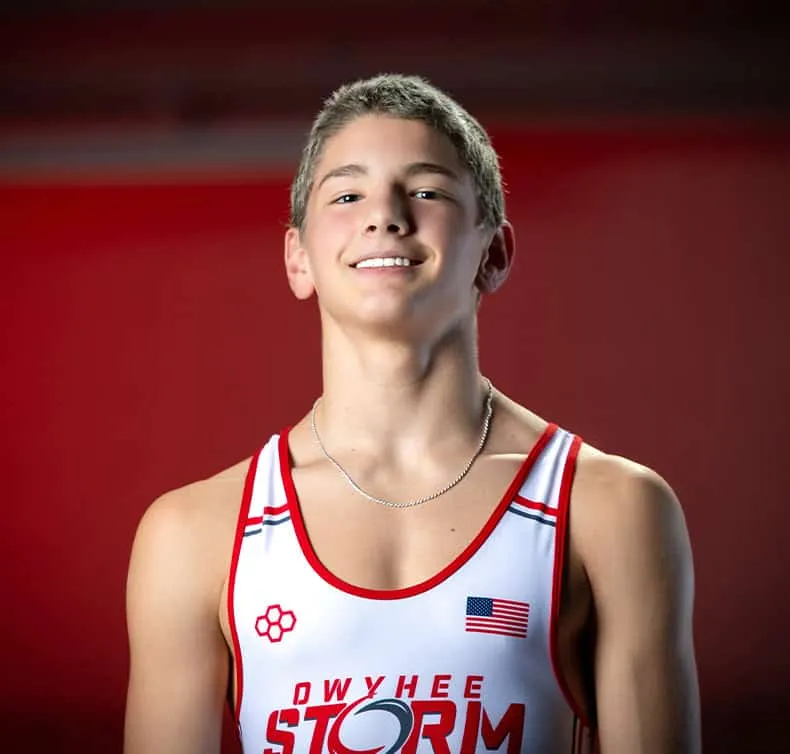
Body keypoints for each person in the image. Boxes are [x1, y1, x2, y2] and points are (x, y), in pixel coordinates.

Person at [124, 74, 701, 754]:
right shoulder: (195, 535)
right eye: (346, 194)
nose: (385, 215)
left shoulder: (611, 509)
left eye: (426, 190)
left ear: (495, 253)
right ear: (298, 258)